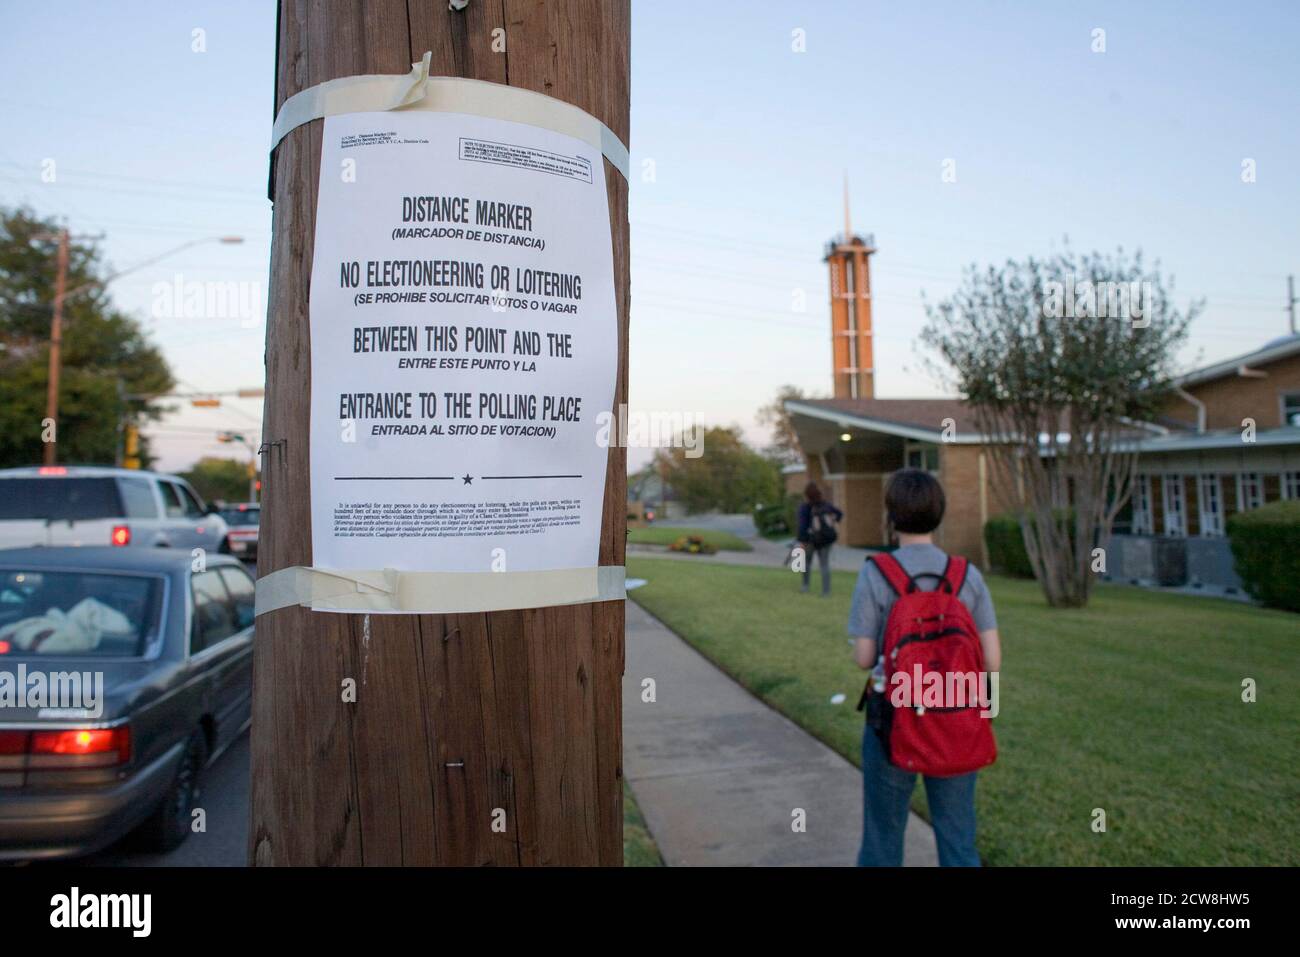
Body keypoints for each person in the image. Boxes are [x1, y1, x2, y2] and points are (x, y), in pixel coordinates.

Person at [847, 469, 1002, 866]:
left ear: (890, 516)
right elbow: (992, 659)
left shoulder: (876, 573)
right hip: (956, 715)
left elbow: (865, 658)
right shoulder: (967, 575)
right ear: (940, 514)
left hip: (893, 720)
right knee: (958, 835)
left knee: (883, 835)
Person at [796, 482, 843, 596]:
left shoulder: (804, 507)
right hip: (826, 540)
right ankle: (826, 591)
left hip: (810, 540)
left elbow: (802, 526)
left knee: (806, 563)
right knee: (824, 565)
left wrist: (801, 541)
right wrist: (832, 521)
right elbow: (840, 514)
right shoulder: (826, 505)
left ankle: (805, 586)